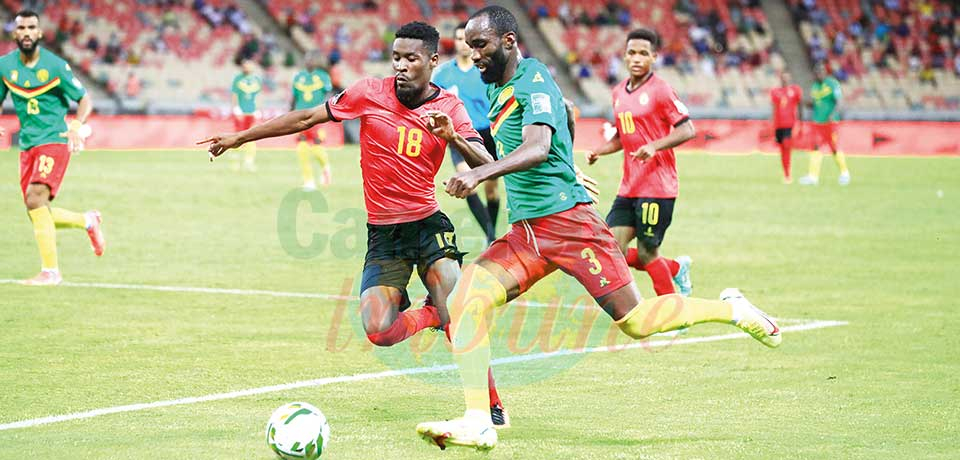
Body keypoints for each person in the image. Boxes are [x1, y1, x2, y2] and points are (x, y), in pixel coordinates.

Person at [416, 7, 781, 451]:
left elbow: (538, 145)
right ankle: (479, 420)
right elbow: (529, 143)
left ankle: (732, 309)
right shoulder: (501, 90)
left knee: (638, 322)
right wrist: (456, 139)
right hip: (528, 232)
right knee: (466, 301)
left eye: (482, 46)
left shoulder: (532, 79)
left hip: (571, 224)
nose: (474, 56)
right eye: (470, 47)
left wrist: (485, 175)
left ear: (509, 42)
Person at [200, 22, 510, 427]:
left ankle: (491, 402)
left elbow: (489, 166)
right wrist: (243, 137)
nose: (400, 66)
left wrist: (454, 137)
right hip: (383, 234)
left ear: (433, 61)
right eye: (396, 57)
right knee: (380, 330)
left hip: (428, 224)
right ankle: (432, 315)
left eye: (411, 58)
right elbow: (305, 118)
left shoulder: (450, 108)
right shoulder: (368, 92)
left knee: (461, 315)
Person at [583, 28, 695, 298]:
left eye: (643, 53)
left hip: (657, 187)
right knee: (611, 248)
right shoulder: (618, 92)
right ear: (624, 56)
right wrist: (600, 150)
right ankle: (676, 268)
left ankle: (671, 312)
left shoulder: (661, 91)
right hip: (629, 186)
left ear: (654, 57)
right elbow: (624, 136)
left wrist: (653, 146)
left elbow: (687, 129)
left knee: (646, 252)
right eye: (632, 52)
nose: (636, 58)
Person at [0, 10, 105, 286]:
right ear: (14, 33)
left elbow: (84, 99)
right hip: (28, 144)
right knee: (36, 210)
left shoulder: (56, 66)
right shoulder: (5, 66)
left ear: (39, 33)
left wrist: (75, 125)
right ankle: (87, 221)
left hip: (55, 140)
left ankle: (51, 272)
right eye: (21, 27)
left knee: (35, 199)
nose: (26, 32)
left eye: (31, 27)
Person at [432, 22, 500, 245]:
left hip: (487, 134)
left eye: (466, 39)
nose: (463, 44)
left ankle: (492, 230)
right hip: (459, 135)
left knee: (491, 191)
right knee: (465, 181)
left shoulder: (484, 70)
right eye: (459, 39)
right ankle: (490, 235)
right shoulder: (443, 74)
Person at [798, 63, 850, 185]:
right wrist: (806, 103)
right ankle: (813, 176)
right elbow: (816, 104)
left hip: (831, 123)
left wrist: (833, 114)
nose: (819, 74)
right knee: (815, 147)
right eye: (817, 72)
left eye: (821, 71)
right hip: (818, 123)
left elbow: (839, 101)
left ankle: (845, 173)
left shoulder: (832, 84)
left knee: (834, 148)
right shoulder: (815, 86)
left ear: (825, 72)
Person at [291, 50, 333, 190]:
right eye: (307, 59)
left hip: (317, 117)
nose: (309, 61)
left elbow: (329, 95)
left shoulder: (323, 76)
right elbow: (294, 97)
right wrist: (291, 114)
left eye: (311, 59)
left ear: (316, 61)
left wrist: (328, 112)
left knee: (316, 146)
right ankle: (309, 181)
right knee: (301, 147)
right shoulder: (298, 77)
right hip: (300, 117)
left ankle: (325, 167)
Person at [769, 71, 803, 183]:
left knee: (787, 146)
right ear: (781, 79)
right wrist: (773, 126)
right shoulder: (775, 92)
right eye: (783, 78)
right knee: (782, 150)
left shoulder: (795, 90)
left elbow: (800, 105)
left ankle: (788, 175)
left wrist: (800, 122)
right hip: (779, 125)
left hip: (789, 124)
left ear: (790, 79)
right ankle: (786, 173)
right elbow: (773, 109)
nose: (785, 80)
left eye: (787, 78)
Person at [230, 59, 262, 171]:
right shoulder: (238, 79)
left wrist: (258, 109)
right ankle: (235, 161)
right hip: (241, 112)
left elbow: (258, 96)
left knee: (252, 137)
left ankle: (249, 161)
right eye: (245, 66)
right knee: (237, 137)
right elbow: (234, 94)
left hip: (251, 112)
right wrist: (235, 108)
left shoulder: (257, 79)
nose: (247, 68)